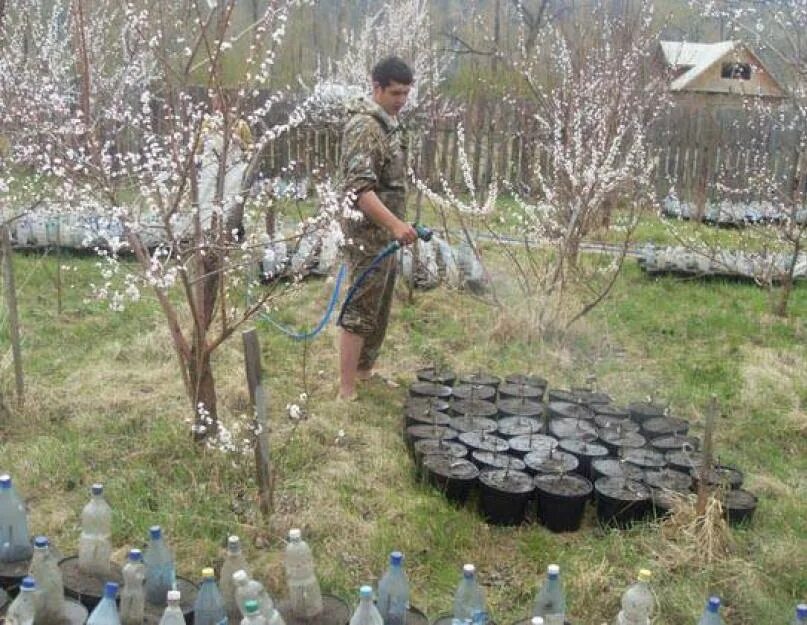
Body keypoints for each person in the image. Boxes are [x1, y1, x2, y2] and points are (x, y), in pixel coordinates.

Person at [337, 56, 417, 401]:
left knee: (379, 307)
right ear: (377, 88)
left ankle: (365, 372)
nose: (401, 100)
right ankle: (346, 389)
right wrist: (396, 224)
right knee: (359, 309)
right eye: (395, 93)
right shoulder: (364, 128)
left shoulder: (389, 125)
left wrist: (397, 226)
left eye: (406, 93)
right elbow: (359, 191)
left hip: (386, 237)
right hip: (367, 236)